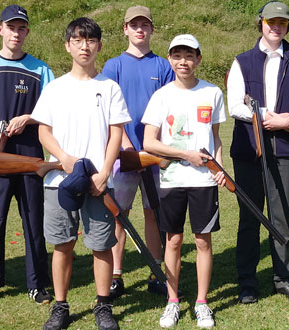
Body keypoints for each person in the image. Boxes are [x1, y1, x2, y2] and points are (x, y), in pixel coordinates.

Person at [30, 17, 130, 330]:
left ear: (99, 46)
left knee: (101, 246)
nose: (84, 46)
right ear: (68, 45)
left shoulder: (109, 87)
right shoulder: (54, 88)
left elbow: (116, 134)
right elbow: (43, 133)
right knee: (63, 245)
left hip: (100, 183)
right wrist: (64, 159)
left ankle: (102, 305)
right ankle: (60, 306)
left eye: (90, 40)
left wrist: (103, 174)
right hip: (60, 182)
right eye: (77, 40)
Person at [226, 1, 289, 305]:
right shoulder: (242, 61)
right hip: (249, 149)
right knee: (250, 217)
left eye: (283, 23)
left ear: (287, 26)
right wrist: (263, 115)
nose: (276, 27)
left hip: (286, 149)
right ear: (261, 23)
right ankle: (247, 282)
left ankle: (283, 279)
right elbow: (235, 104)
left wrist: (288, 120)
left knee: (281, 218)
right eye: (271, 22)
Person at [0, 4, 54, 308]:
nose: (16, 33)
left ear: (27, 32)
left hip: (29, 157)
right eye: (11, 27)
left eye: (22, 28)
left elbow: (50, 115)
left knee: (33, 219)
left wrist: (27, 118)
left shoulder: (41, 70)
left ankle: (38, 283)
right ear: (0, 29)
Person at [142, 34, 226, 329]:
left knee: (203, 241)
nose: (183, 62)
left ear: (198, 59)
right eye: (177, 56)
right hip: (172, 179)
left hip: (204, 181)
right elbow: (149, 142)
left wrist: (219, 166)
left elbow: (215, 138)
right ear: (170, 60)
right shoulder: (162, 96)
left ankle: (202, 303)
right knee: (173, 240)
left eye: (189, 56)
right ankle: (172, 301)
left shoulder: (213, 92)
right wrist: (184, 154)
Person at [101, 5, 175, 299]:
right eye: (134, 25)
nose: (140, 29)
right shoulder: (114, 65)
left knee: (153, 213)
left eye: (145, 24)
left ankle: (155, 271)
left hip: (155, 156)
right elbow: (109, 111)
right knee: (120, 215)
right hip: (123, 154)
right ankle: (116, 275)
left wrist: (155, 150)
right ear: (125, 29)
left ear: (152, 29)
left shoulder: (163, 66)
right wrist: (126, 148)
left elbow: (170, 108)